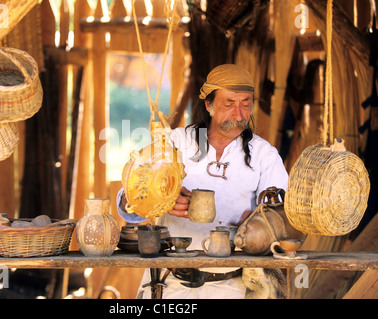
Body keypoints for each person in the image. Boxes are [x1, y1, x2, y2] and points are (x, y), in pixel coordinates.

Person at [116, 64, 289, 298]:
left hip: (233, 286)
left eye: (245, 105)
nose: (239, 115)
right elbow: (129, 200)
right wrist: (159, 197)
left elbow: (284, 218)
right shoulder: (176, 143)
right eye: (229, 104)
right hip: (169, 284)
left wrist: (259, 221)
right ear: (208, 105)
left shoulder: (263, 155)